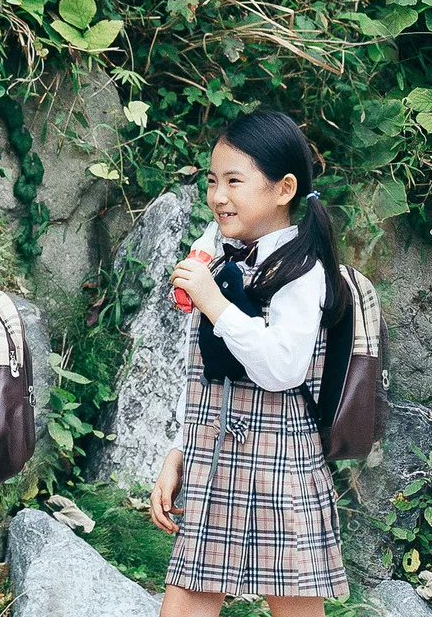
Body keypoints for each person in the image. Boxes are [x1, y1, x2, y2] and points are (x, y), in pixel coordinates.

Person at [149, 112, 350, 617]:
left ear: (284, 189)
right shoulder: (222, 257)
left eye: (234, 181)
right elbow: (200, 370)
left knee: (295, 609)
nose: (218, 196)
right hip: (215, 460)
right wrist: (180, 450)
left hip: (281, 468)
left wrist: (216, 304)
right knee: (183, 606)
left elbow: (283, 368)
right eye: (212, 181)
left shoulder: (301, 269)